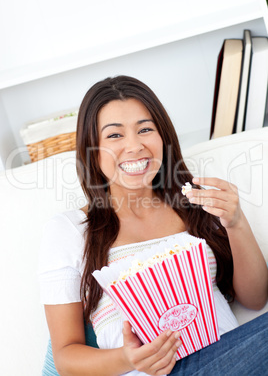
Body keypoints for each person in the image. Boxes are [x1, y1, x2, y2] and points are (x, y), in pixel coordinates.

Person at [39, 75, 268, 376]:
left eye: (145, 129)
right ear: (92, 150)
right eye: (115, 136)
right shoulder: (70, 230)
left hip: (227, 356)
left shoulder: (195, 201)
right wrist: (129, 359)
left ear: (163, 137)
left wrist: (236, 223)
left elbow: (255, 299)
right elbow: (66, 357)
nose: (134, 146)